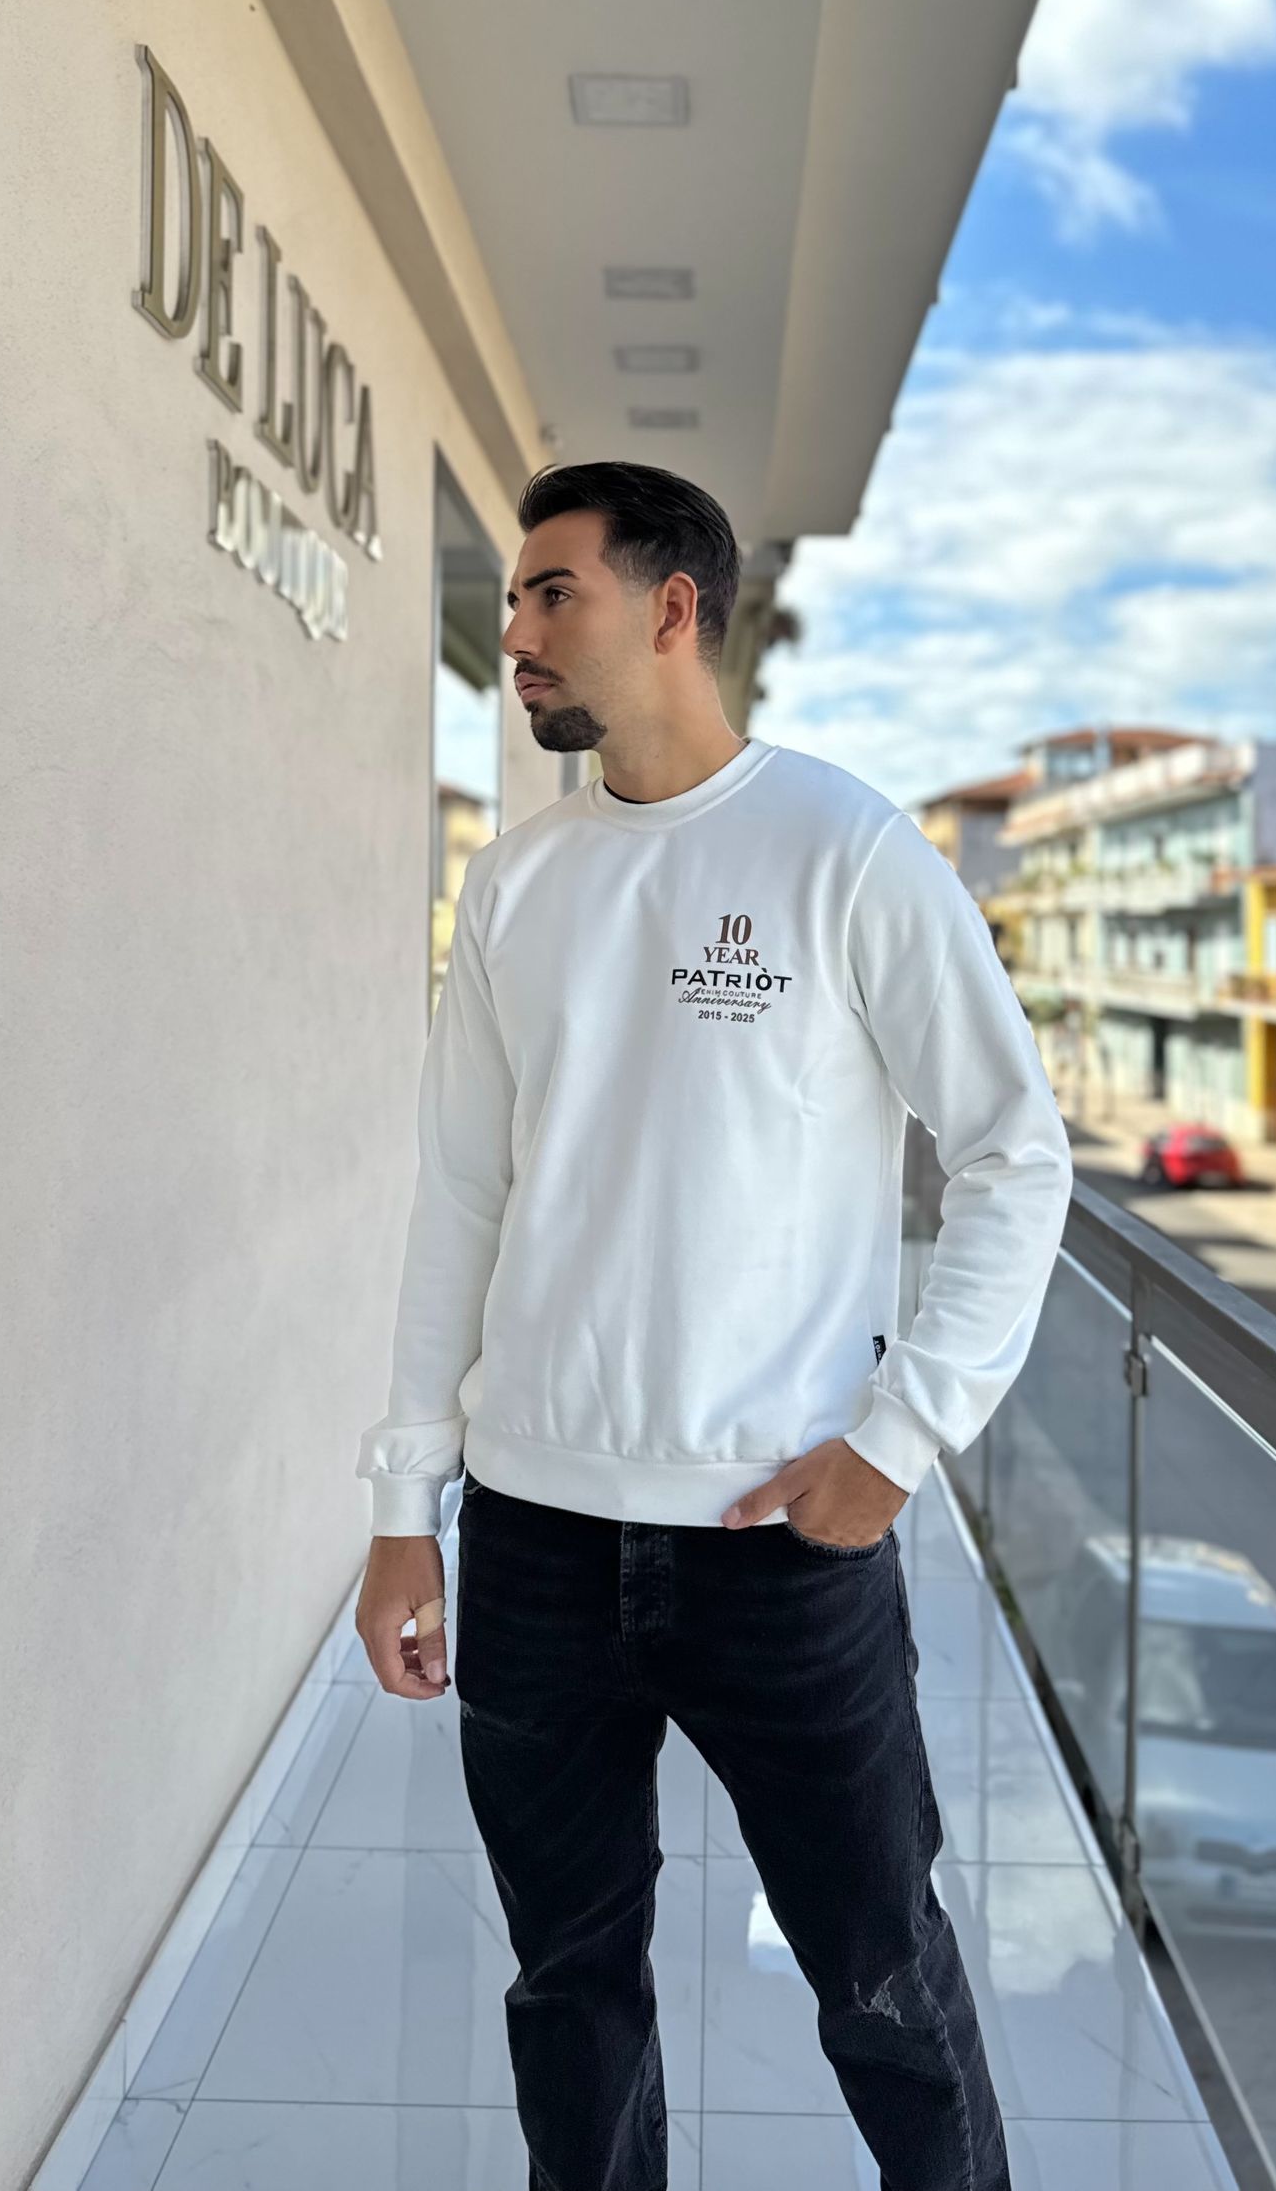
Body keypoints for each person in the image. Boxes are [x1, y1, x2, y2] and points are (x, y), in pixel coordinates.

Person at [354, 460, 1074, 2191]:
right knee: (567, 1985)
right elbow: (460, 1199)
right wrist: (402, 1506)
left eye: (554, 594)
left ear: (674, 609)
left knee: (883, 1982)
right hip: (533, 1538)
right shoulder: (516, 888)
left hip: (781, 1546)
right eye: (513, 601)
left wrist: (900, 1444)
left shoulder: (844, 849)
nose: (516, 633)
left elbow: (1012, 1151)